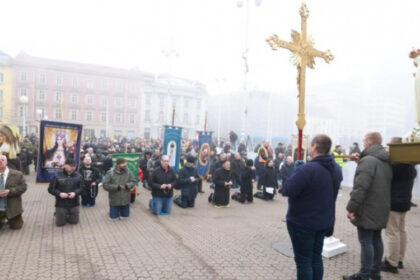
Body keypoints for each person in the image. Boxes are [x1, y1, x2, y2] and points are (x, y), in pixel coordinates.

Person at [282, 134, 342, 280]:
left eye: (310, 145)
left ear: (314, 146)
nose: (308, 147)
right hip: (323, 221)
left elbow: (287, 190)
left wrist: (297, 172)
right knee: (315, 258)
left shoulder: (308, 169)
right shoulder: (336, 168)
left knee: (304, 261)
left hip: (303, 222)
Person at [344, 132, 392, 280]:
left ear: (370, 142)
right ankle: (374, 273)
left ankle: (363, 275)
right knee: (376, 239)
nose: (363, 143)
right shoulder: (384, 160)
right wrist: (361, 162)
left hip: (367, 208)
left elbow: (361, 188)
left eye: (364, 141)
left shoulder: (368, 161)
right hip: (381, 206)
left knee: (366, 242)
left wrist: (351, 208)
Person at [381, 139, 418, 274]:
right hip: (404, 202)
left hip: (394, 202)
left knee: (392, 233)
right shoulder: (410, 166)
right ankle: (399, 259)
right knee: (401, 231)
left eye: (390, 146)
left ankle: (392, 262)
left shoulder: (396, 166)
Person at [48, 158, 84, 227]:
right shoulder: (57, 175)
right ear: (65, 165)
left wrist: (75, 193)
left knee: (74, 222)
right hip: (61, 203)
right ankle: (58, 213)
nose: (72, 167)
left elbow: (82, 188)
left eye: (74, 165)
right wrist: (59, 193)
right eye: (70, 165)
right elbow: (50, 189)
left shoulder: (79, 176)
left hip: (74, 203)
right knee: (60, 224)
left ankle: (67, 214)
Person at [0, 155, 27, 230]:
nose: (0, 162)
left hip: (12, 207)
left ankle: (11, 218)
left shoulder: (17, 174)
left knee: (17, 226)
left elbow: (23, 187)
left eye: (2, 160)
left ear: (7, 162)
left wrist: (10, 191)